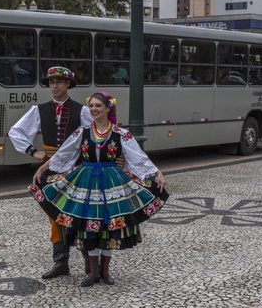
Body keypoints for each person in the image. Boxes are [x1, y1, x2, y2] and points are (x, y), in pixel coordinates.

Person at [30, 91, 168, 287]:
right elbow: (64, 153)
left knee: (108, 225)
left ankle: (105, 271)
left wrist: (157, 173)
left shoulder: (121, 134)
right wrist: (43, 169)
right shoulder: (83, 132)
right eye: (92, 106)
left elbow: (137, 156)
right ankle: (93, 272)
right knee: (89, 225)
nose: (94, 109)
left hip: (111, 183)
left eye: (98, 106)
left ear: (107, 108)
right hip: (87, 182)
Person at [9, 66, 93, 279]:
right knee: (54, 216)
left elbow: (96, 135)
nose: (54, 86)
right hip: (51, 169)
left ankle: (89, 261)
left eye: (59, 82)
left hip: (76, 170)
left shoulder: (82, 110)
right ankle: (61, 262)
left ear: (68, 85)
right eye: (51, 83)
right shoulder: (39, 109)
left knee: (80, 214)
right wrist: (34, 152)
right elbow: (15, 131)